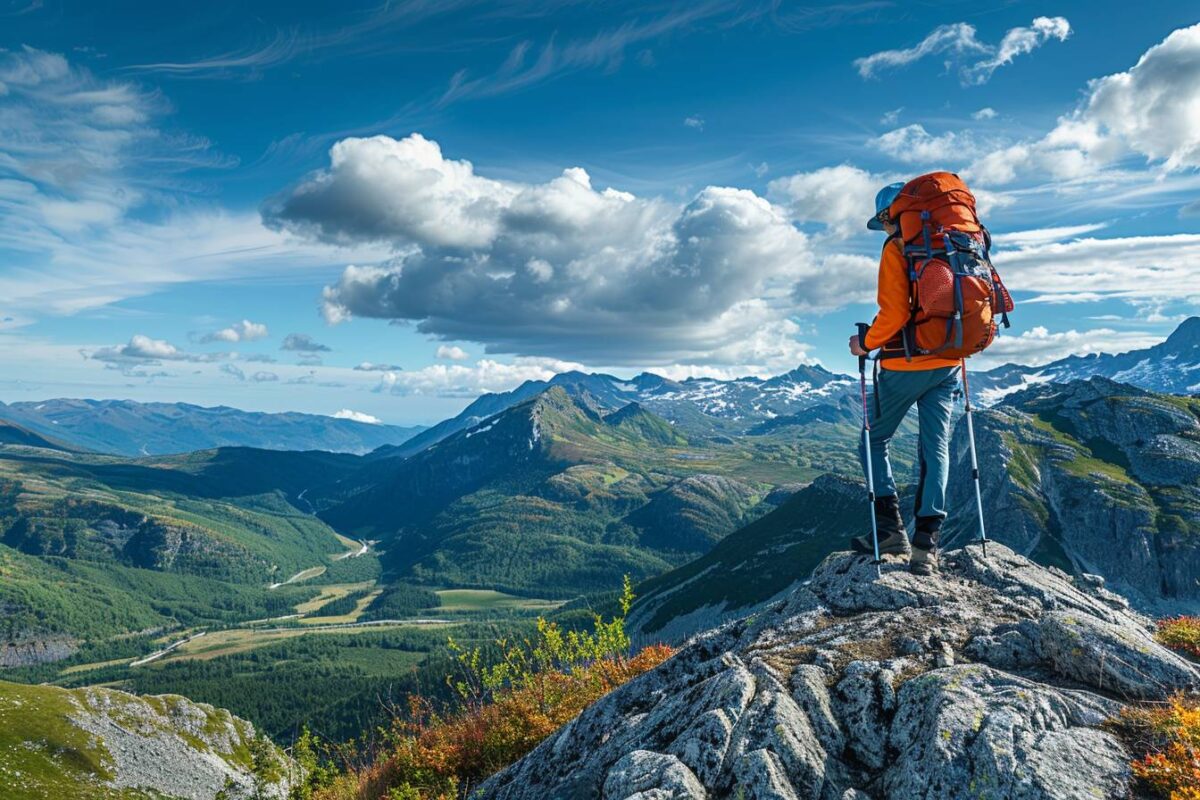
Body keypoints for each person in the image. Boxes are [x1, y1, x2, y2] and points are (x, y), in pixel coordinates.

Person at [847, 182, 962, 576]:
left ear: (889, 217)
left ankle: (891, 531)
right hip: (949, 359)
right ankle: (927, 544)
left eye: (882, 224)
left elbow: (894, 313)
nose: (883, 231)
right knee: (936, 446)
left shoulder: (898, 249)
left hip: (905, 364)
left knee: (872, 438)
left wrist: (866, 342)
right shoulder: (953, 242)